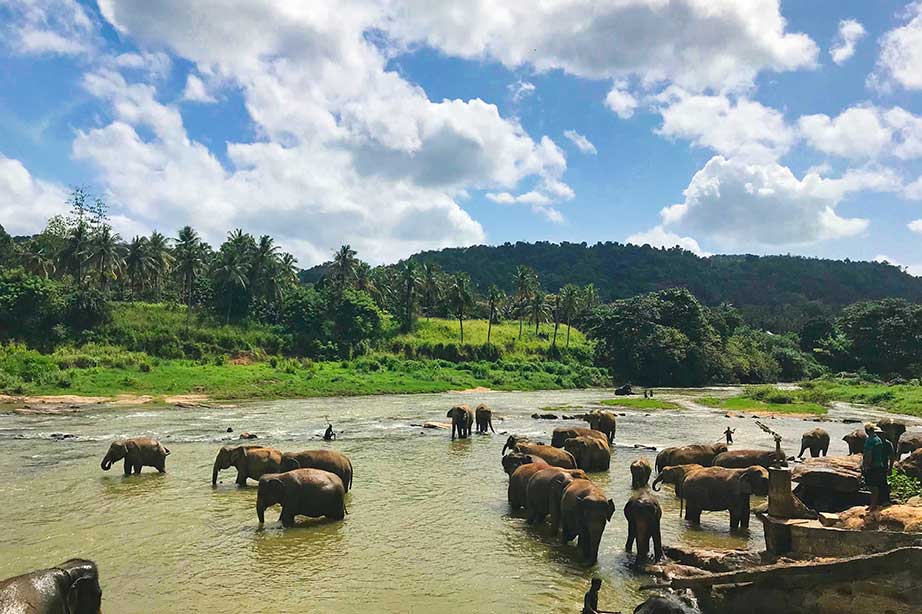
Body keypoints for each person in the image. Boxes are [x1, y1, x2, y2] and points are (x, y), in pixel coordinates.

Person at [862, 423, 889, 510]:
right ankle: (874, 504)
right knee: (875, 486)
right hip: (878, 465)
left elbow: (868, 454)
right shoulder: (877, 439)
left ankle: (873, 505)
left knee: (872, 486)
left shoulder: (870, 440)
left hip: (872, 466)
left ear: (866, 431)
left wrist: (866, 466)